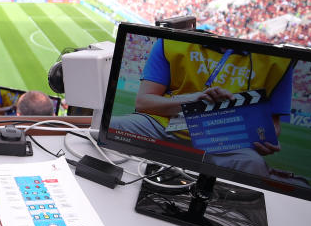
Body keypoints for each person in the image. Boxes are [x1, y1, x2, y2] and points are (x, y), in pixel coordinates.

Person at [109, 37, 294, 177]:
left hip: (225, 140)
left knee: (252, 163)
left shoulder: (279, 61)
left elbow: (274, 126)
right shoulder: (171, 42)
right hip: (162, 124)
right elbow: (143, 103)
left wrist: (262, 135)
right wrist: (192, 100)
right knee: (109, 128)